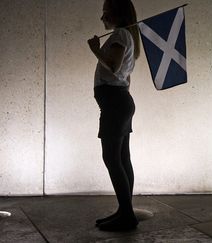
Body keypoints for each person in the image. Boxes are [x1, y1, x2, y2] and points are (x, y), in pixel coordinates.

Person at [87, 0, 141, 231]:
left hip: (114, 104)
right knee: (122, 158)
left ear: (117, 14)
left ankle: (127, 215)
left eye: (105, 13)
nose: (102, 19)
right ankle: (124, 210)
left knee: (111, 158)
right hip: (119, 102)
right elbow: (124, 76)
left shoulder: (119, 35)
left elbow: (115, 66)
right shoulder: (126, 35)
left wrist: (95, 50)